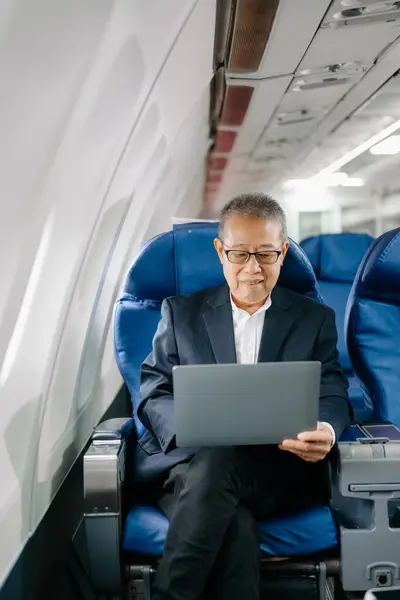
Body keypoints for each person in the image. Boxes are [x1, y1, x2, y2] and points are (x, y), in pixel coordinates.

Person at [136, 193, 352, 600]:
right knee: (235, 529)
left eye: (266, 255)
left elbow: (333, 390)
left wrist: (325, 428)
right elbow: (154, 390)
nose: (252, 268)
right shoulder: (180, 314)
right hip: (192, 469)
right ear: (221, 251)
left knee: (223, 466)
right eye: (239, 254)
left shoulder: (313, 319)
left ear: (283, 252)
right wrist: (195, 427)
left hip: (276, 471)